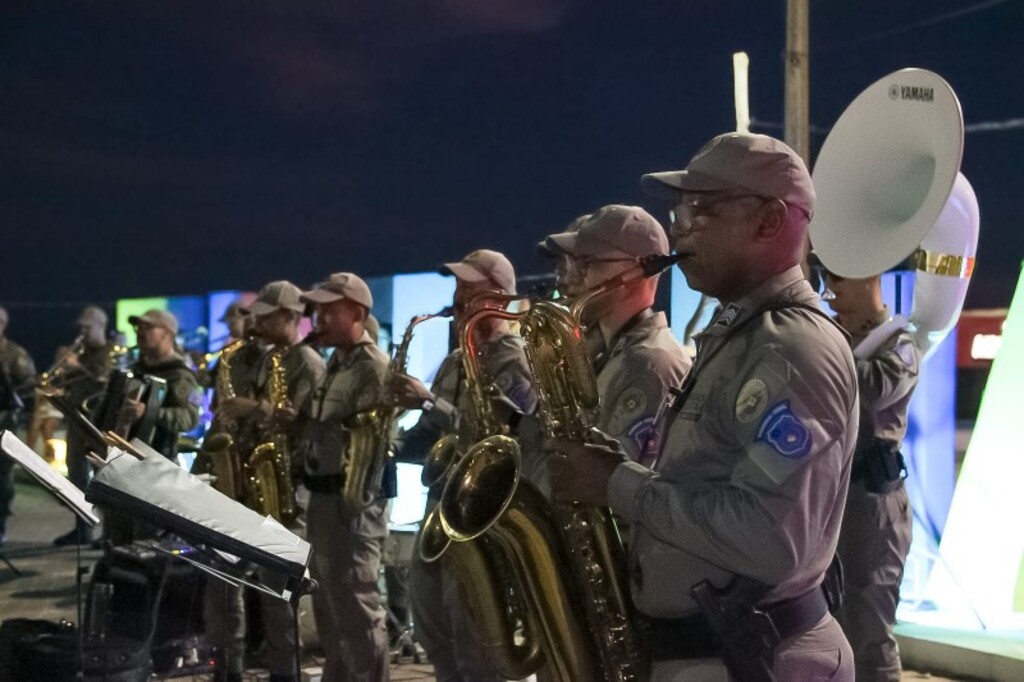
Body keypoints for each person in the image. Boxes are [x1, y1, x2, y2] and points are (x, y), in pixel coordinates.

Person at [549, 132, 859, 681]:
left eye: (701, 210)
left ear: (769, 221)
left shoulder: (790, 348)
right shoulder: (745, 333)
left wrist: (618, 484)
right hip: (714, 654)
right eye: (679, 210)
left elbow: (770, 540)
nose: (679, 228)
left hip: (750, 657)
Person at [390, 248, 537, 682]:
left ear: (500, 296)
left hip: (481, 521)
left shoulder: (516, 360)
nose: (457, 301)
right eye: (457, 289)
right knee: (435, 630)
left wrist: (430, 401)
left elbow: (511, 441)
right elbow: (433, 435)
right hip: (440, 510)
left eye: (469, 291)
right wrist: (389, 437)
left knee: (475, 641)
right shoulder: (456, 360)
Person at [216, 281, 325, 682]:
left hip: (286, 488)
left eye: (265, 315)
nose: (255, 322)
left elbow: (310, 428)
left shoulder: (308, 363)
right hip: (251, 482)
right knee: (228, 581)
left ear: (291, 317)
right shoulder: (263, 357)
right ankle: (230, 669)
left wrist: (256, 408)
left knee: (280, 596)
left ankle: (286, 675)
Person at [297, 273, 391, 682]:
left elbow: (372, 438)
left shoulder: (373, 366)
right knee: (330, 607)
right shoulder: (336, 361)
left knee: (357, 606)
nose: (318, 317)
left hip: (352, 502)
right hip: (322, 496)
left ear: (357, 312)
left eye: (328, 309)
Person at [826, 271, 919, 682]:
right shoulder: (835, 338)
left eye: (837, 277)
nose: (830, 287)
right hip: (831, 500)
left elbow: (876, 388)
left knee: (868, 629)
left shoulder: (899, 343)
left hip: (872, 505)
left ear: (868, 277)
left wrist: (822, 354)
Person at [198, 301, 264, 682]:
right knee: (222, 581)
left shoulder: (284, 361)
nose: (240, 329)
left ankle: (257, 658)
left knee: (259, 589)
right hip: (230, 477)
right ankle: (228, 667)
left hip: (259, 480)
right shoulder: (230, 361)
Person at [52, 306, 117, 546]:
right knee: (76, 477)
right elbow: (68, 382)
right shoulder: (83, 353)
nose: (82, 332)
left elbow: (105, 380)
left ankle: (108, 533)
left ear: (100, 326)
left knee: (104, 478)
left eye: (87, 327)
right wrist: (60, 371)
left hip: (99, 424)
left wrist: (78, 366)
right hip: (77, 420)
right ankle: (82, 528)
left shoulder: (110, 352)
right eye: (81, 327)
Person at [0, 306, 37, 546]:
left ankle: (0, 525)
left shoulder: (15, 355)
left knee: (2, 478)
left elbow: (29, 390)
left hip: (4, 423)